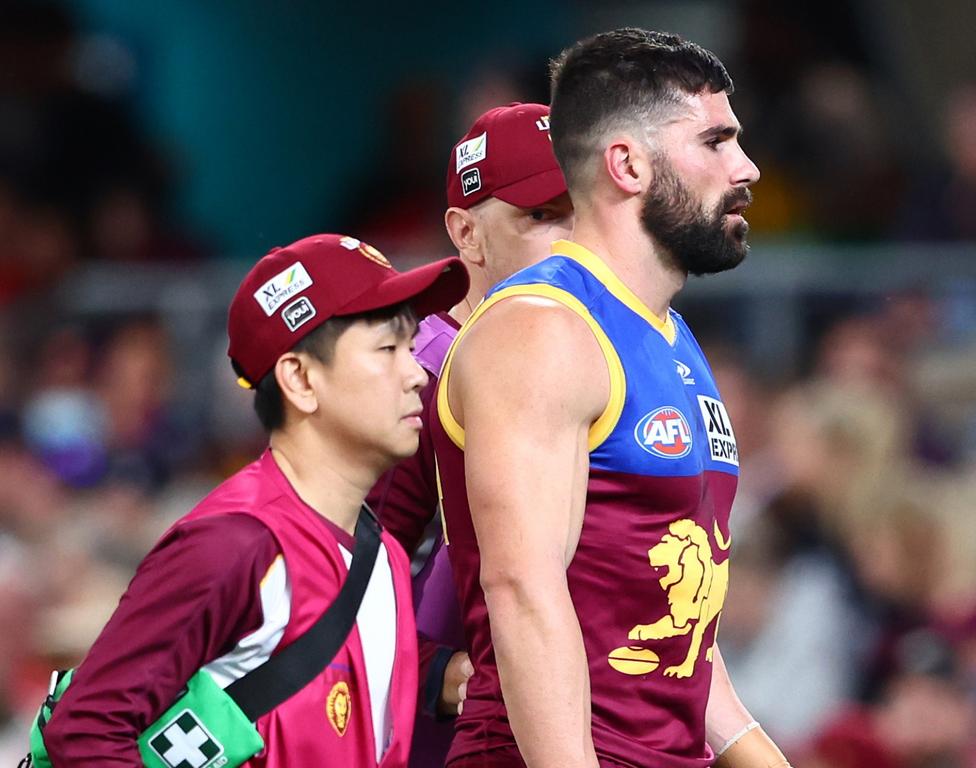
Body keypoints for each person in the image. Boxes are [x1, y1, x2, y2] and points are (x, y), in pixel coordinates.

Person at [432, 28, 791, 767]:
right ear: (626, 164)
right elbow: (522, 593)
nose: (746, 166)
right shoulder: (542, 330)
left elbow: (674, 633)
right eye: (716, 142)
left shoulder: (668, 336)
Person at [41, 233, 469, 766]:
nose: (416, 373)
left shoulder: (385, 558)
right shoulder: (236, 542)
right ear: (299, 379)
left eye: (412, 347)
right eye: (388, 349)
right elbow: (84, 731)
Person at [366, 102, 573, 767]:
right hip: (455, 735)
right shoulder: (417, 370)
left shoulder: (601, 354)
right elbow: (339, 571)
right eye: (540, 218)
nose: (569, 240)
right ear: (467, 233)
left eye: (581, 212)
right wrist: (434, 673)